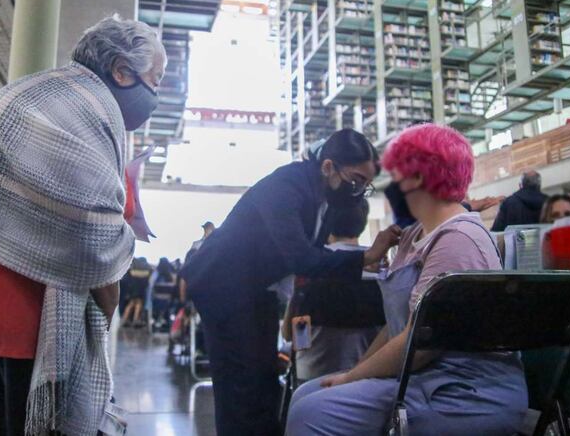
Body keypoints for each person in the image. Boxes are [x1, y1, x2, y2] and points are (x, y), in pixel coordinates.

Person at [0, 15, 166, 436]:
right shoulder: (87, 108)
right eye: (155, 80)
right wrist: (110, 298)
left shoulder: (40, 91)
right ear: (122, 71)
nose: (156, 95)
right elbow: (93, 235)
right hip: (27, 302)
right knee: (34, 421)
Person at [286, 123, 527, 436]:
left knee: (311, 411)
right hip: (425, 375)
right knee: (306, 394)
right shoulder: (413, 235)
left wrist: (351, 378)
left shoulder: (458, 239)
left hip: (464, 390)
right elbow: (396, 326)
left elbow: (424, 341)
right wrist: (355, 373)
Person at [181, 128, 399, 436]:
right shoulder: (286, 185)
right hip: (224, 286)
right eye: (356, 180)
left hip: (256, 288)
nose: (359, 190)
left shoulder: (324, 197)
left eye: (366, 184)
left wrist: (363, 262)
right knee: (241, 385)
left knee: (263, 378)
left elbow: (312, 253)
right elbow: (302, 258)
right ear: (328, 167)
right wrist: (363, 258)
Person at [283, 199, 385, 383]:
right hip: (367, 380)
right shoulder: (382, 272)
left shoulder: (310, 270)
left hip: (312, 379)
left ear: (325, 221)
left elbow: (291, 335)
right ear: (362, 223)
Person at [120, 257, 153, 327]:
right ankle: (136, 319)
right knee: (138, 304)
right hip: (140, 290)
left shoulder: (133, 269)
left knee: (131, 304)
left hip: (132, 289)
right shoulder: (146, 270)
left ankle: (124, 319)